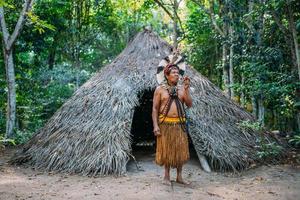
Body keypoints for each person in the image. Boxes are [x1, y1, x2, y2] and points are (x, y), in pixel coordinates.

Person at [152, 62, 192, 185]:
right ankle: (166, 177)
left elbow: (189, 104)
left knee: (180, 150)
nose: (176, 75)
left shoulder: (182, 89)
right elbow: (155, 109)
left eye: (177, 73)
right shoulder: (160, 89)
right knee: (167, 150)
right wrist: (155, 126)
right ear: (167, 76)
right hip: (165, 125)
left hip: (180, 125)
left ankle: (179, 177)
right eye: (173, 73)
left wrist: (186, 89)